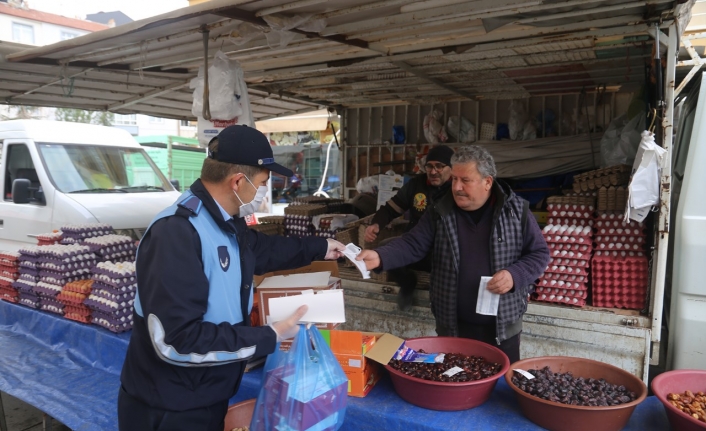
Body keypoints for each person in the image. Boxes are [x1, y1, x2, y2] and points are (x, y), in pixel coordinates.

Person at [118, 125, 345, 431]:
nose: (263, 191)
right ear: (238, 181)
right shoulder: (176, 233)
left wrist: (323, 247)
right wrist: (270, 335)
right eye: (263, 183)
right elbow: (178, 342)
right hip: (170, 407)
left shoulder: (225, 222)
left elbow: (263, 250)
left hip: (205, 394)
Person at [357, 145, 550, 363]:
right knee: (455, 384)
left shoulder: (516, 211)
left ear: (487, 182)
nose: (456, 187)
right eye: (455, 179)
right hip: (452, 327)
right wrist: (381, 256)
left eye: (465, 180)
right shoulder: (440, 210)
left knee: (500, 390)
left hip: (502, 329)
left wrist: (515, 275)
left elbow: (539, 254)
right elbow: (413, 244)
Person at [363, 145, 454, 310]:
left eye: (439, 166)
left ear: (451, 169)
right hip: (414, 246)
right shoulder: (416, 185)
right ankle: (407, 282)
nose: (433, 171)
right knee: (384, 248)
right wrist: (376, 224)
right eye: (429, 166)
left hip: (443, 250)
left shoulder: (457, 189)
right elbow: (391, 208)